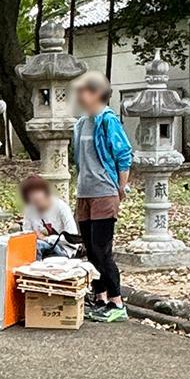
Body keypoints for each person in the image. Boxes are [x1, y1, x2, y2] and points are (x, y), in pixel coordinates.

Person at [70, 73, 133, 321]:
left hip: (105, 192)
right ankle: (100, 296)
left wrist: (120, 188)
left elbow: (124, 155)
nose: (78, 96)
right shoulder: (81, 123)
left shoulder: (108, 120)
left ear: (96, 94)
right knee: (90, 249)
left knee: (102, 249)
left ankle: (117, 302)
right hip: (84, 192)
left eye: (83, 91)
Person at [19, 174, 79, 257]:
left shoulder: (61, 207)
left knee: (37, 246)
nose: (35, 197)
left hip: (64, 248)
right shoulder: (29, 209)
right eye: (31, 194)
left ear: (45, 192)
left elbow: (72, 236)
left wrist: (46, 239)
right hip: (39, 246)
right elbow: (26, 233)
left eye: (38, 192)